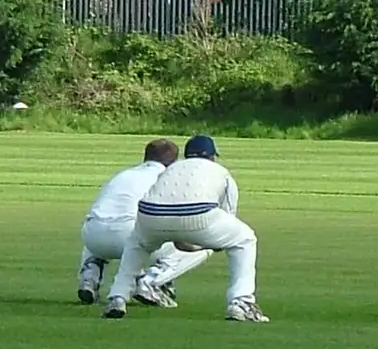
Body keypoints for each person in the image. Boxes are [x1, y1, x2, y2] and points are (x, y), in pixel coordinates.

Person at [104, 134, 268, 322]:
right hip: (198, 215)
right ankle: (241, 302)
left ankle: (117, 297)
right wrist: (204, 244)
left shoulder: (171, 168)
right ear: (212, 156)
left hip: (150, 214)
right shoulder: (220, 171)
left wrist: (179, 236)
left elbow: (164, 200)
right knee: (245, 239)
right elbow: (228, 217)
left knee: (136, 245)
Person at [76, 138, 211, 307]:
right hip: (131, 237)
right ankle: (151, 281)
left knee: (100, 222)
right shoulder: (168, 178)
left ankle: (89, 278)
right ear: (174, 162)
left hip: (93, 239)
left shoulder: (123, 174)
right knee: (198, 249)